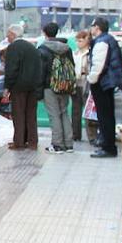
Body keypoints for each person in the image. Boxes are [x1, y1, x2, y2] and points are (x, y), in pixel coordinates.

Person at [87, 17, 122, 157]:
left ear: (97, 27)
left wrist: (91, 79)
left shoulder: (101, 41)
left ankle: (108, 147)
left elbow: (98, 65)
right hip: (108, 83)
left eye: (92, 26)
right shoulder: (108, 39)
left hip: (102, 83)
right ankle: (108, 145)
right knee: (107, 115)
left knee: (104, 117)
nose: (91, 29)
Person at [3, 22, 44, 150]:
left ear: (13, 34)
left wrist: (7, 87)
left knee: (18, 114)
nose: (7, 37)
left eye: (8, 34)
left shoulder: (13, 48)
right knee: (31, 114)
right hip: (33, 86)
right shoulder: (31, 47)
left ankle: (19, 142)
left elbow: (12, 69)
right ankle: (32, 142)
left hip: (19, 87)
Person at [38, 22, 75, 153]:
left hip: (50, 87)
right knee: (64, 113)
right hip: (65, 85)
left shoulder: (43, 49)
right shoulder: (67, 49)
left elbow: (41, 72)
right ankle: (69, 144)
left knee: (54, 115)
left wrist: (38, 90)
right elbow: (72, 66)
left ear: (45, 33)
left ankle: (57, 144)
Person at [73, 30, 93, 143]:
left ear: (87, 40)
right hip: (75, 83)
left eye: (81, 40)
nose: (78, 43)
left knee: (88, 110)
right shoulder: (75, 53)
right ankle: (76, 134)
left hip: (87, 84)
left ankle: (91, 135)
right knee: (75, 110)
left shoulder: (90, 53)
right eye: (77, 40)